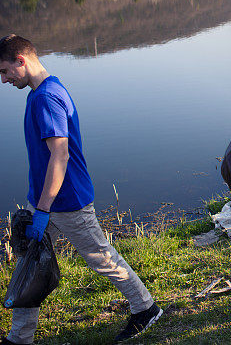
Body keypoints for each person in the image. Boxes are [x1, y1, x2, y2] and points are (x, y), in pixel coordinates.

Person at [0, 34, 161, 344]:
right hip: (45, 202)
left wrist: (43, 211)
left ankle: (146, 308)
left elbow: (60, 155)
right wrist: (40, 207)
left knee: (102, 258)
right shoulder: (40, 92)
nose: (4, 80)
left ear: (21, 61)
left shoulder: (47, 97)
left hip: (67, 202)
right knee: (29, 266)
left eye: (5, 71)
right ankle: (19, 338)